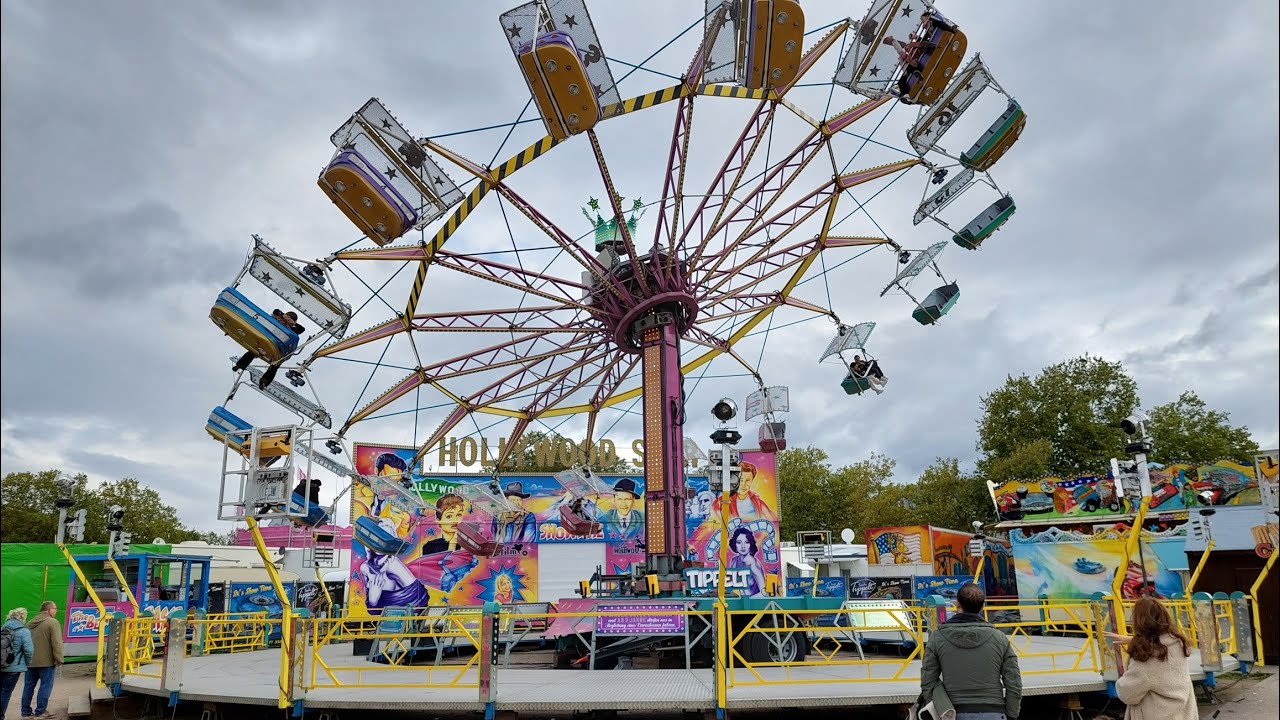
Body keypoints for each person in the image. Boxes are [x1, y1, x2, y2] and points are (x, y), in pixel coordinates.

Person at [920, 583, 1021, 720]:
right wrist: (1011, 714)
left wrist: (942, 708)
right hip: (994, 712)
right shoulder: (999, 638)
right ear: (982, 607)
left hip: (953, 712)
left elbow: (928, 681)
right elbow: (1014, 683)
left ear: (957, 604)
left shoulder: (938, 638)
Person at [1106, 596, 1197, 720]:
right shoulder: (1178, 643)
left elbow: (1127, 693)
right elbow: (1160, 642)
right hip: (1182, 713)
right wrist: (1134, 640)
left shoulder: (1146, 658)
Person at [22, 601, 62, 719]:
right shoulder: (53, 622)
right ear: (48, 610)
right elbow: (57, 643)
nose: (56, 611)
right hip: (47, 662)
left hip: (30, 662)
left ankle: (26, 712)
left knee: (28, 686)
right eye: (55, 608)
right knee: (45, 686)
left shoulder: (30, 623)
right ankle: (40, 711)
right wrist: (59, 658)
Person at [2, 608, 35, 718]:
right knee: (5, 692)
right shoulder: (24, 632)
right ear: (22, 618)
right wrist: (27, 662)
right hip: (13, 668)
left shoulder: (2, 628)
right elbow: (29, 651)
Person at [727, 527, 766, 597]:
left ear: (751, 544)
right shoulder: (734, 561)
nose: (743, 546)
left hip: (752, 605)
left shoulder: (752, 563)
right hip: (739, 604)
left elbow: (764, 592)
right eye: (739, 542)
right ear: (734, 544)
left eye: (747, 542)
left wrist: (748, 601)